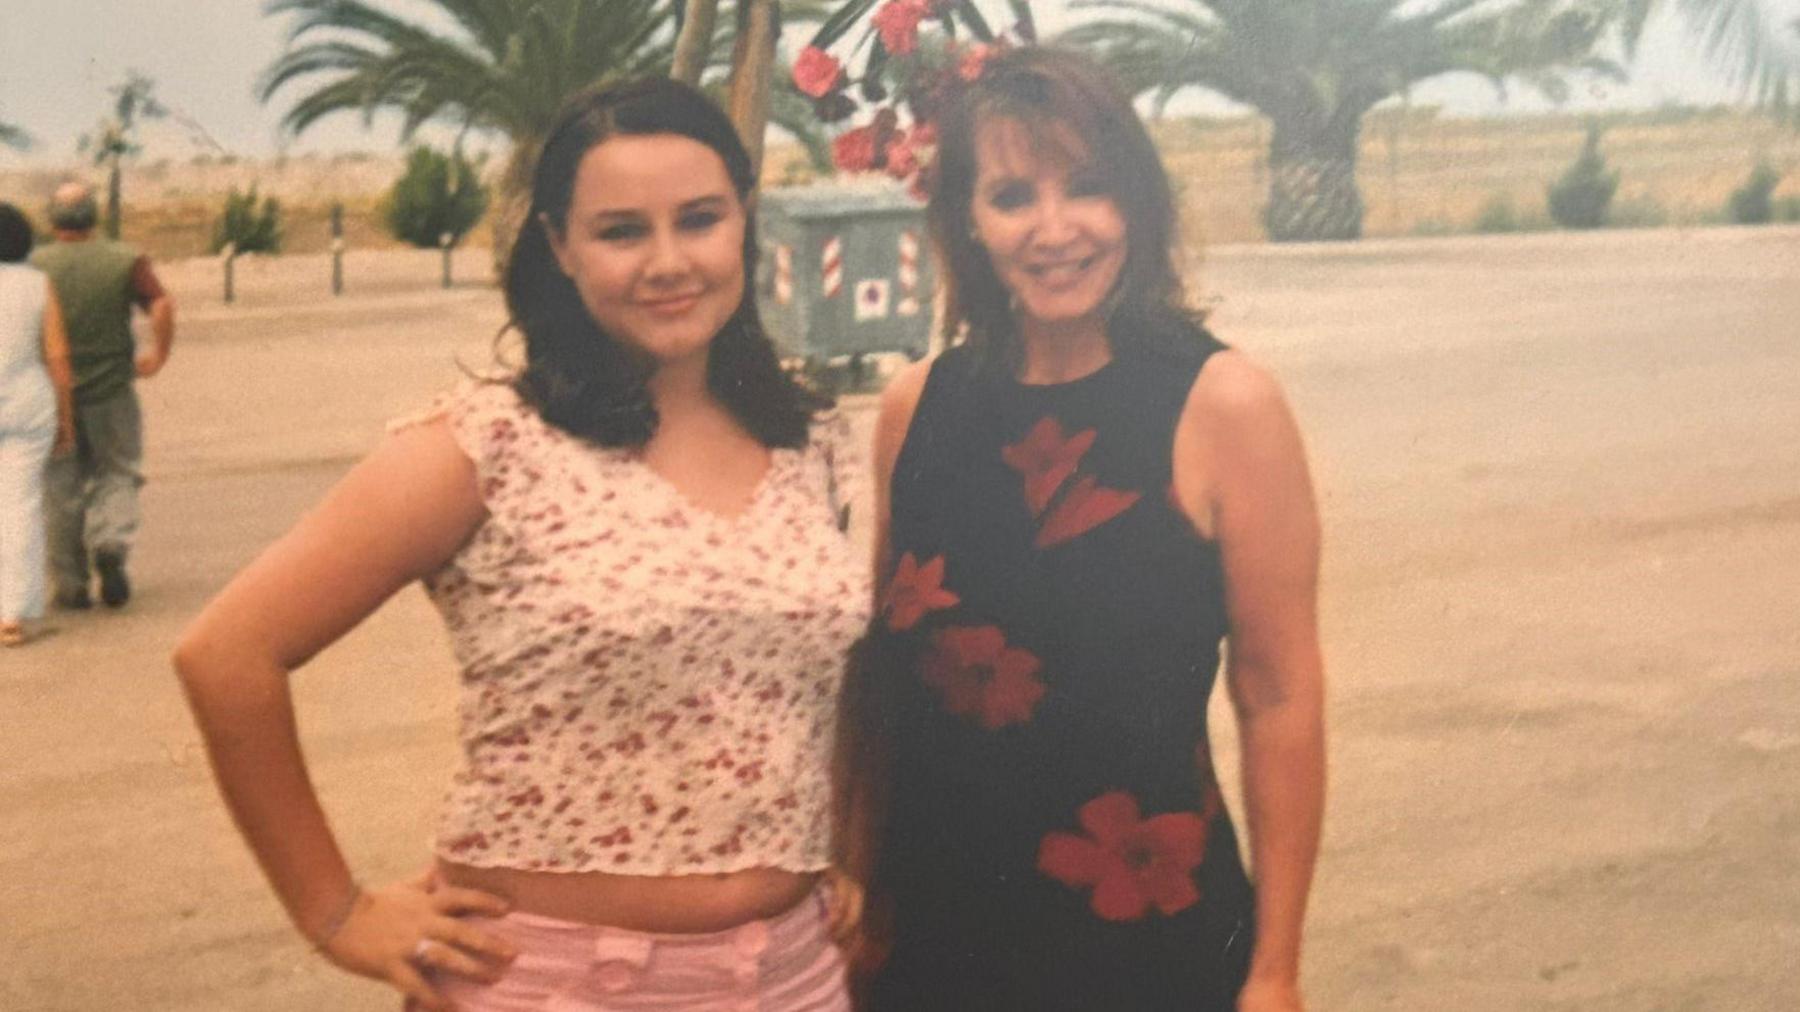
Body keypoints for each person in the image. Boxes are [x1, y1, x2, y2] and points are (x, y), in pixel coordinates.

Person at [173, 77, 869, 1011]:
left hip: (791, 978)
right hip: (549, 982)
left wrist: (842, 850)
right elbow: (226, 654)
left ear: (744, 221)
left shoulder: (810, 438)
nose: (669, 261)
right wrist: (334, 911)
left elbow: (822, 681)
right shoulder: (488, 444)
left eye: (699, 219)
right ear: (559, 248)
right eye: (622, 231)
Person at [847, 47, 1326, 1011]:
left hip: (1146, 929)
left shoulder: (1224, 405)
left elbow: (1277, 696)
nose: (1055, 229)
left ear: (1138, 207)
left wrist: (1275, 968)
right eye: (1014, 195)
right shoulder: (916, 409)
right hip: (933, 931)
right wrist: (852, 871)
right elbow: (879, 678)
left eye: (1090, 189)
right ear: (968, 223)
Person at [31, 179, 175, 610]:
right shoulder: (124, 258)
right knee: (118, 471)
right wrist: (158, 354)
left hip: (52, 392)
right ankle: (110, 542)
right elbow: (161, 303)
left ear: (52, 218)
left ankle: (71, 584)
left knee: (60, 486)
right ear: (94, 214)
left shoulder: (33, 265)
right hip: (112, 387)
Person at [0, 203, 77, 646]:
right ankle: (15, 613)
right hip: (29, 402)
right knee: (22, 505)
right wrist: (66, 418)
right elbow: (58, 357)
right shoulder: (38, 285)